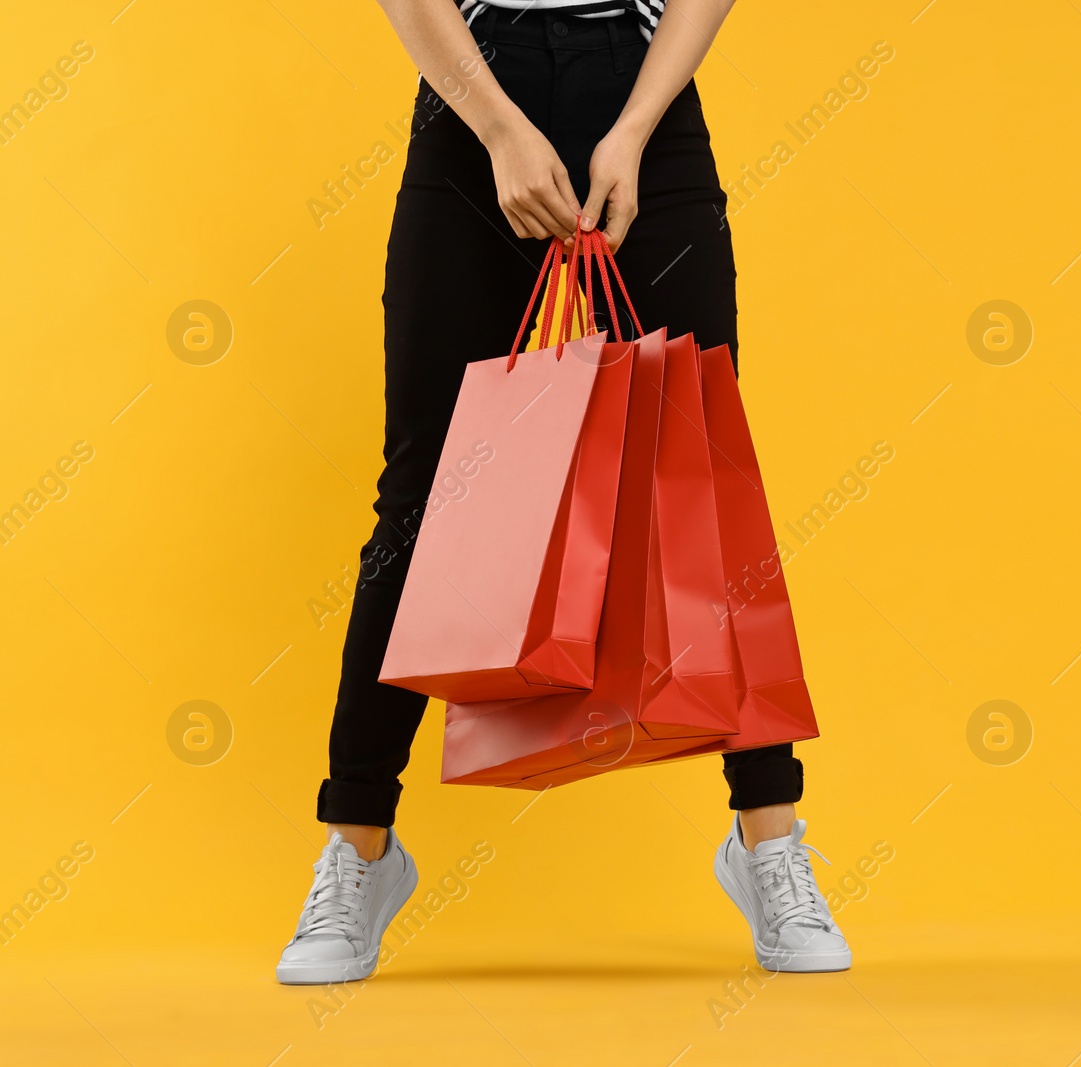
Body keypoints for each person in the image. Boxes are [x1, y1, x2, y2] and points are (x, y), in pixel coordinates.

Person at [275, 0, 850, 984]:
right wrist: (497, 127)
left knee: (701, 476)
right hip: (471, 92)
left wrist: (632, 127)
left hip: (644, 91)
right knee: (422, 495)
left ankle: (768, 840)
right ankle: (359, 846)